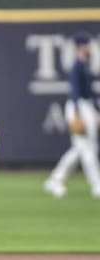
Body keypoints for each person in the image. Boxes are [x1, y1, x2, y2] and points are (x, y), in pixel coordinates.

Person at [44, 31, 100, 198]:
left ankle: (55, 179)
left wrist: (96, 110)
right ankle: (97, 185)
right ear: (81, 46)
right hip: (79, 108)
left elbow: (90, 92)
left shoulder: (83, 64)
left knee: (81, 148)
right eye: (87, 44)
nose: (89, 47)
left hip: (86, 107)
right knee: (86, 148)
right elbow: (75, 91)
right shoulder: (77, 66)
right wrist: (77, 113)